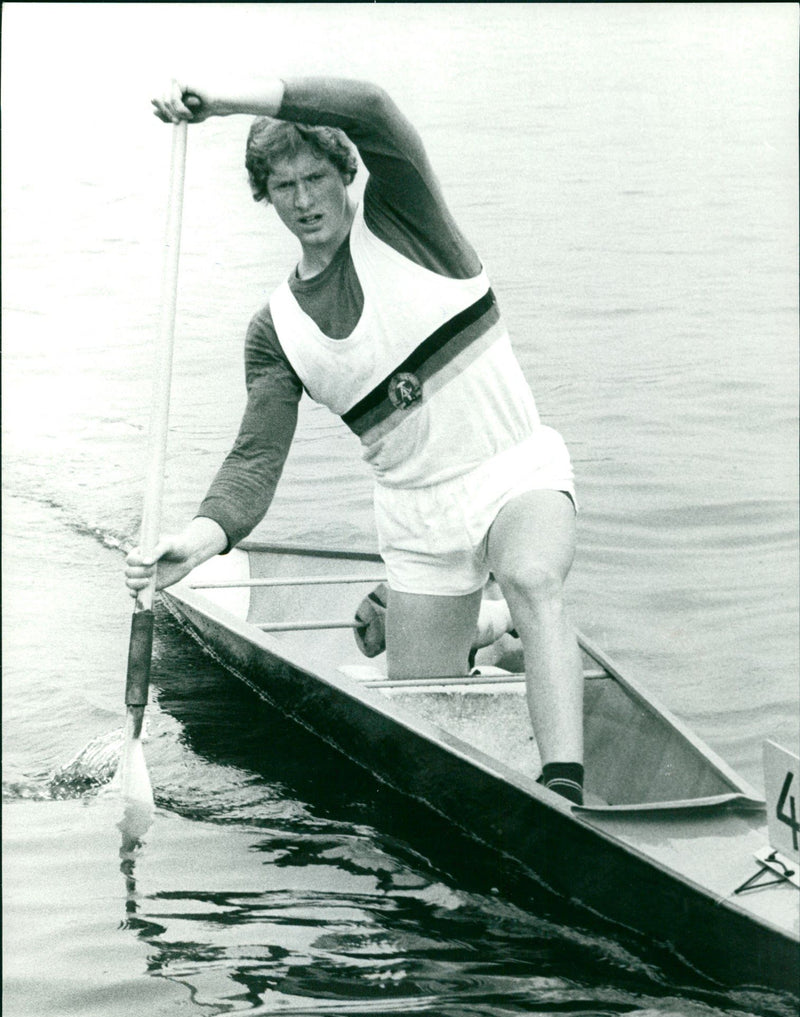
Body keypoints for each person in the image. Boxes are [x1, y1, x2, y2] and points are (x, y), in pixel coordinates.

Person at [126, 76, 585, 804]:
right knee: (425, 725)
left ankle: (566, 787)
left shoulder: (408, 220)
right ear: (266, 196)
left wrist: (225, 103)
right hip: (416, 522)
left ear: (347, 175)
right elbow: (255, 460)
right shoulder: (276, 332)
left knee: (533, 574)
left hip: (512, 472)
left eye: (315, 177)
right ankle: (489, 629)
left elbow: (370, 109)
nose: (304, 199)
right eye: (283, 186)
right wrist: (201, 538)